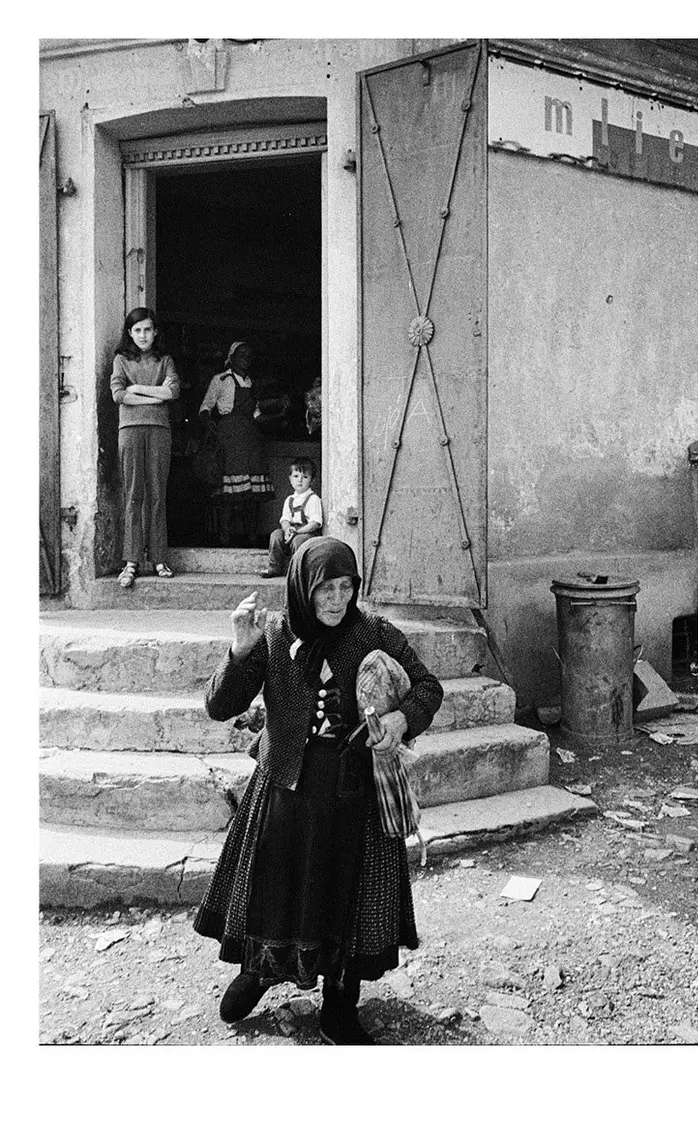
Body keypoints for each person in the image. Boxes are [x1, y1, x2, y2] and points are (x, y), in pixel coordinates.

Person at [193, 537, 442, 1044]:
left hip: (355, 793)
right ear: (303, 588)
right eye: (325, 588)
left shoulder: (373, 633)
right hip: (285, 786)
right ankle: (260, 969)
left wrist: (401, 717)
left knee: (344, 899)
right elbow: (220, 706)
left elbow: (428, 687)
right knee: (274, 886)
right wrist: (238, 651)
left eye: (346, 586)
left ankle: (339, 1005)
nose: (336, 599)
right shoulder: (275, 634)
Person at [109, 307, 181, 587]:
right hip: (129, 431)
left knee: (157, 493)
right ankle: (131, 561)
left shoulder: (165, 360)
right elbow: (118, 394)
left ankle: (159, 558)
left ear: (155, 332)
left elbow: (172, 392)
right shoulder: (121, 360)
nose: (143, 335)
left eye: (147, 329)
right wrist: (154, 394)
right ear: (130, 333)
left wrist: (136, 389)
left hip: (159, 431)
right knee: (133, 494)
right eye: (137, 330)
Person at [198, 341, 275, 545]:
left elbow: (257, 414)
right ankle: (225, 536)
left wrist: (278, 413)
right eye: (241, 355)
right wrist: (210, 426)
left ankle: (251, 536)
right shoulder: (221, 380)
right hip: (228, 436)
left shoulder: (251, 383)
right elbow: (205, 407)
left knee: (252, 492)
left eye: (249, 356)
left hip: (250, 436)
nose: (246, 359)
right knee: (228, 491)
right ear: (231, 358)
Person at [262, 457, 324, 578]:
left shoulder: (313, 499)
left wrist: (298, 532)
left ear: (312, 481)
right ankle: (274, 567)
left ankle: (297, 571)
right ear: (290, 479)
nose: (300, 480)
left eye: (305, 477)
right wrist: (287, 529)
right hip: (292, 531)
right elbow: (285, 519)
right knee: (276, 535)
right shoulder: (290, 499)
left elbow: (315, 523)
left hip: (307, 532)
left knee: (298, 541)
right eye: (296, 476)